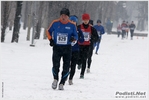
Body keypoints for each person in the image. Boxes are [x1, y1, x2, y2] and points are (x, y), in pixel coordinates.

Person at [46, 8, 78, 90]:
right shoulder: (55, 23)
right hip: (57, 47)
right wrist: (50, 40)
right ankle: (55, 79)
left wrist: (73, 39)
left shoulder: (72, 25)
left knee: (66, 66)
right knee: (55, 64)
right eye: (62, 15)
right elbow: (48, 31)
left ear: (68, 17)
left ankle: (62, 82)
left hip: (67, 48)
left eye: (65, 16)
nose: (63, 17)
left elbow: (76, 36)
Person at [77, 13, 98, 79]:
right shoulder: (79, 27)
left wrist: (92, 39)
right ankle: (79, 63)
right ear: (82, 20)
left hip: (87, 46)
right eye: (84, 19)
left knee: (84, 59)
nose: (85, 21)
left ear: (89, 20)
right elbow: (74, 34)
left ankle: (82, 74)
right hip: (79, 45)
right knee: (78, 58)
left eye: (87, 20)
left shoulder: (92, 29)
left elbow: (97, 37)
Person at [68, 15, 84, 85]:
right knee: (66, 65)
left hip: (75, 50)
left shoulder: (78, 30)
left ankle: (70, 78)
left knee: (73, 65)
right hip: (67, 50)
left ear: (76, 22)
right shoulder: (67, 28)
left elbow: (82, 39)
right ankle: (65, 76)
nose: (72, 22)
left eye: (74, 21)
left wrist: (78, 40)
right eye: (71, 20)